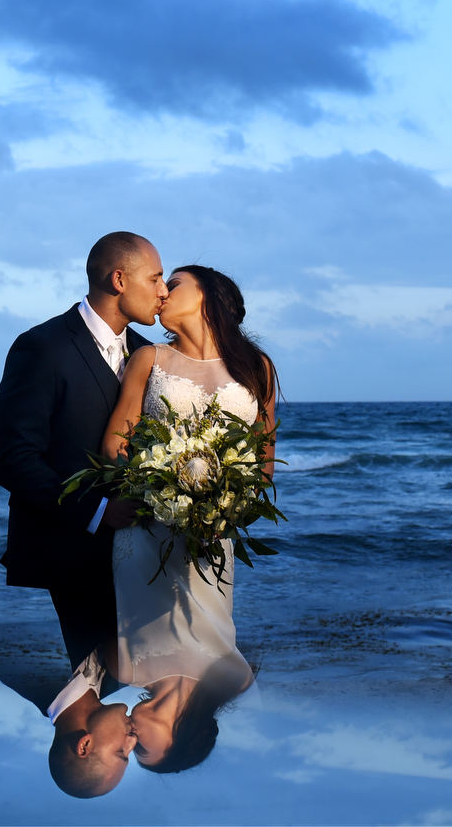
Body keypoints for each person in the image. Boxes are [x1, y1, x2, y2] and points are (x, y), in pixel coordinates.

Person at [98, 264, 277, 772]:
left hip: (210, 535)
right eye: (148, 752)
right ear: (181, 738)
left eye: (171, 283)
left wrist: (225, 508)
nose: (160, 292)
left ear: (207, 296)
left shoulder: (256, 368)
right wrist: (158, 485)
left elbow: (262, 466)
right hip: (147, 530)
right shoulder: (148, 359)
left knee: (207, 614)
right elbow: (116, 442)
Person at [0, 232, 169, 669]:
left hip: (144, 554)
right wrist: (96, 511)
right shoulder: (42, 347)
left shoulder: (148, 356)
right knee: (98, 686)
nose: (164, 292)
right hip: (72, 550)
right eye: (156, 278)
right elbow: (12, 458)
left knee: (144, 682)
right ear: (119, 279)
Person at [45, 648, 137, 798]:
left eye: (121, 751)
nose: (133, 740)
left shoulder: (17, 664)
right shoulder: (128, 672)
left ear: (85, 745)